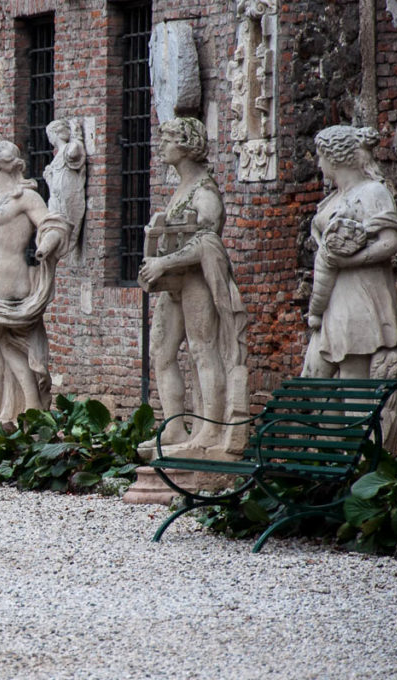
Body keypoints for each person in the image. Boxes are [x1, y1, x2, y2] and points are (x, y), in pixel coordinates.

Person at [137, 117, 247, 449]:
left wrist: (163, 262)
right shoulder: (183, 188)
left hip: (198, 281)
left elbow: (207, 241)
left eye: (168, 139)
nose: (162, 146)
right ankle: (174, 427)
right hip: (173, 285)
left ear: (186, 146)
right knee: (162, 352)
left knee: (202, 349)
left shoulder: (205, 191)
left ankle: (210, 430)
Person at [0, 140, 72, 430]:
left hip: (8, 283)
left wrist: (46, 245)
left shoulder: (24, 197)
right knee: (7, 345)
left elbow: (51, 224)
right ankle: (30, 408)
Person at [302, 125, 397, 384]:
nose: (319, 164)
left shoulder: (373, 192)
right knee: (314, 384)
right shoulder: (333, 199)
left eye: (320, 156)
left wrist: (350, 261)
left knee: (351, 380)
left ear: (332, 157)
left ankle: (359, 425)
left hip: (359, 296)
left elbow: (390, 243)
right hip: (331, 299)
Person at [43, 118, 87, 254]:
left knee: (66, 215)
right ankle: (57, 238)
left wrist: (76, 135)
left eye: (49, 134)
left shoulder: (68, 148)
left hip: (68, 191)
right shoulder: (58, 155)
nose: (49, 138)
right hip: (56, 194)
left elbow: (74, 152)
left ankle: (67, 238)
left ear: (54, 133)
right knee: (54, 217)